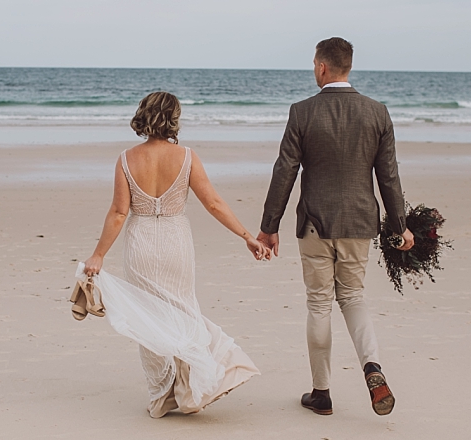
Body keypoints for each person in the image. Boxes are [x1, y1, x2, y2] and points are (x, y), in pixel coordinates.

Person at [82, 91, 267, 418]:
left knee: (147, 318)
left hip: (140, 242)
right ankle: (190, 388)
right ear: (173, 119)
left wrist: (98, 255)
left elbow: (119, 213)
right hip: (175, 241)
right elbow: (214, 203)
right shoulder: (187, 157)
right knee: (184, 311)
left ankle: (161, 396)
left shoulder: (126, 159)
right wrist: (246, 236)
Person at [258, 37, 414, 417]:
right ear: (349, 66)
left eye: (314, 64)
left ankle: (322, 393)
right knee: (353, 297)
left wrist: (269, 226)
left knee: (319, 303)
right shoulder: (377, 113)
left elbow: (285, 171)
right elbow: (388, 176)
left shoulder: (302, 112)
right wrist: (400, 225)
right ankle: (372, 367)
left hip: (315, 222)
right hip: (359, 222)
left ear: (322, 67)